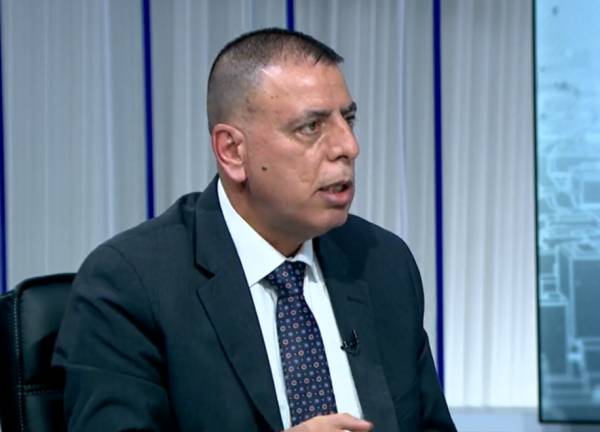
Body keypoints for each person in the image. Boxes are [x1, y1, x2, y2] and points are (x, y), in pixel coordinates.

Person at [52, 28, 456, 432]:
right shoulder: (130, 284)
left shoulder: (381, 261)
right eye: (311, 127)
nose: (348, 146)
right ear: (232, 151)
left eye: (348, 119)